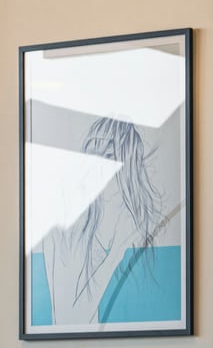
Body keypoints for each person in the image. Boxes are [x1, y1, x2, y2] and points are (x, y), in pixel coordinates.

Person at [41, 117, 162, 325]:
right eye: (94, 155)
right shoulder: (68, 221)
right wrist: (117, 251)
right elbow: (69, 319)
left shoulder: (127, 217)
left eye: (108, 157)